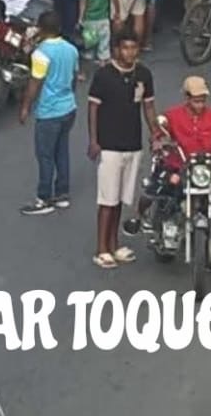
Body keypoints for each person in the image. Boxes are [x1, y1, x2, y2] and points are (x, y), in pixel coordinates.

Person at [151, 76, 211, 274]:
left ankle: (210, 258)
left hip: (202, 169)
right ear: (186, 97)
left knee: (209, 211)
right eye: (196, 100)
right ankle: (159, 224)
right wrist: (160, 142)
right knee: (166, 189)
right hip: (177, 166)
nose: (200, 104)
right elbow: (159, 133)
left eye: (202, 100)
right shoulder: (173, 115)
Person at [87, 28, 158, 269]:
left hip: (133, 144)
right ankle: (101, 248)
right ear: (117, 50)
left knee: (119, 200)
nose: (130, 52)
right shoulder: (104, 76)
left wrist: (156, 134)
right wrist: (94, 140)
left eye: (134, 48)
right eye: (126, 48)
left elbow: (148, 108)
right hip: (109, 146)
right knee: (107, 199)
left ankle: (114, 245)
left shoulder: (143, 75)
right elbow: (93, 108)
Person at [19, 9, 80, 215]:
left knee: (45, 155)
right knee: (61, 152)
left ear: (41, 29)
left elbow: (35, 83)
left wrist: (26, 107)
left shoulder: (41, 53)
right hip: (68, 108)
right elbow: (73, 78)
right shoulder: (71, 49)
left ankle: (43, 198)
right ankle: (62, 194)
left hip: (49, 111)